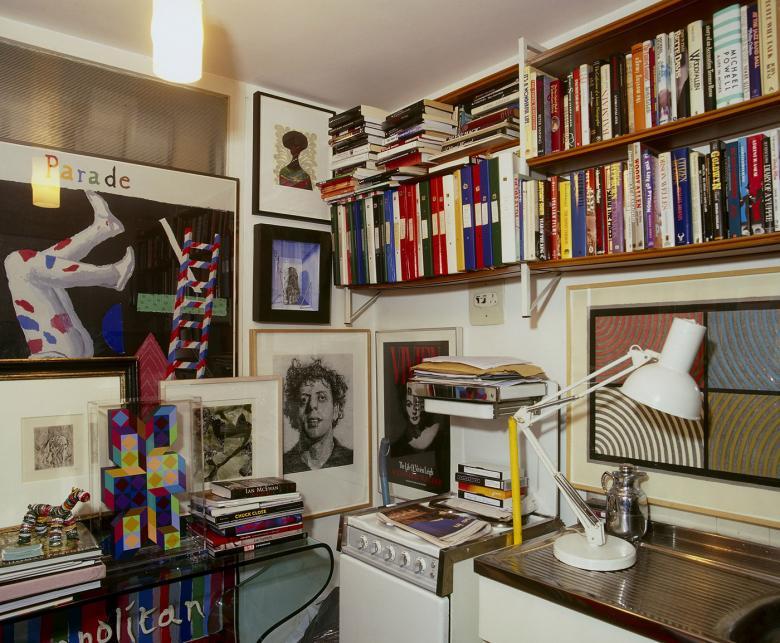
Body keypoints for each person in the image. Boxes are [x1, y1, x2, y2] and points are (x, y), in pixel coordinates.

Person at [4, 190, 134, 358]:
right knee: (17, 262)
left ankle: (103, 230)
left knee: (41, 268)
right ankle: (111, 274)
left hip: (59, 348)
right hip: (56, 350)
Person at [283, 358, 353, 473]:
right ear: (295, 411)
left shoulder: (351, 460)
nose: (312, 405)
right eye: (303, 399)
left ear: (336, 409)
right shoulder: (283, 465)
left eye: (321, 398)